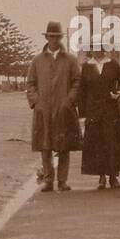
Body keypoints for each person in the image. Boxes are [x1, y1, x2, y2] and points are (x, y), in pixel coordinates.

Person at [26, 20, 81, 193]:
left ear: (61, 38)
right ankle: (48, 180)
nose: (54, 40)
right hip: (44, 110)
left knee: (63, 146)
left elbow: (77, 82)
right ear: (47, 37)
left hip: (64, 109)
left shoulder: (70, 60)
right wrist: (36, 102)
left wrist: (69, 100)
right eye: (51, 36)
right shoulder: (37, 61)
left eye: (57, 37)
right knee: (46, 145)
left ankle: (62, 181)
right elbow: (31, 83)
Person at [79, 44, 120, 189]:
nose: (97, 51)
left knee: (112, 143)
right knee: (97, 144)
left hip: (110, 110)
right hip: (93, 112)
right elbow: (81, 92)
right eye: (94, 48)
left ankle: (113, 177)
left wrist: (118, 93)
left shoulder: (112, 64)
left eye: (99, 47)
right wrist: (82, 115)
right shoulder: (86, 67)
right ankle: (101, 177)